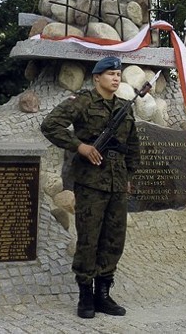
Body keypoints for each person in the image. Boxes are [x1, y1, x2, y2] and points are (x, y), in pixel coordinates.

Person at [41, 56, 140, 319]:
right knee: (89, 238)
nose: (116, 78)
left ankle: (103, 294)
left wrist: (129, 175)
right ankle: (85, 294)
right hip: (91, 182)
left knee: (114, 238)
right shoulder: (83, 101)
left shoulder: (124, 107)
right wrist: (79, 146)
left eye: (118, 74)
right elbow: (50, 125)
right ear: (97, 78)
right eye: (110, 74)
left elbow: (132, 144)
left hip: (117, 182)